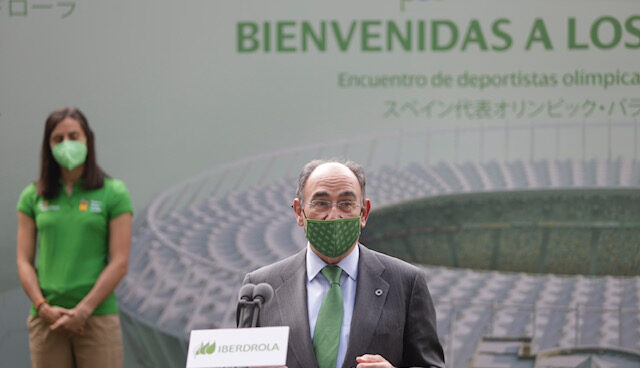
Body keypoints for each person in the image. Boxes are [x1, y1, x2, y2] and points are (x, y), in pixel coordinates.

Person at [242, 159, 444, 368]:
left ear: (364, 213)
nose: (334, 216)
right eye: (321, 203)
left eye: (346, 204)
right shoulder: (260, 288)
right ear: (298, 212)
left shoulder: (406, 283)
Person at [16, 107, 132, 368]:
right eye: (58, 139)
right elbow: (23, 261)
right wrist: (42, 307)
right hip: (47, 319)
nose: (66, 144)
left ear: (87, 139)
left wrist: (83, 311)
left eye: (73, 136)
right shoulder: (32, 196)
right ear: (48, 145)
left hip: (97, 317)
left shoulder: (113, 192)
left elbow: (120, 261)